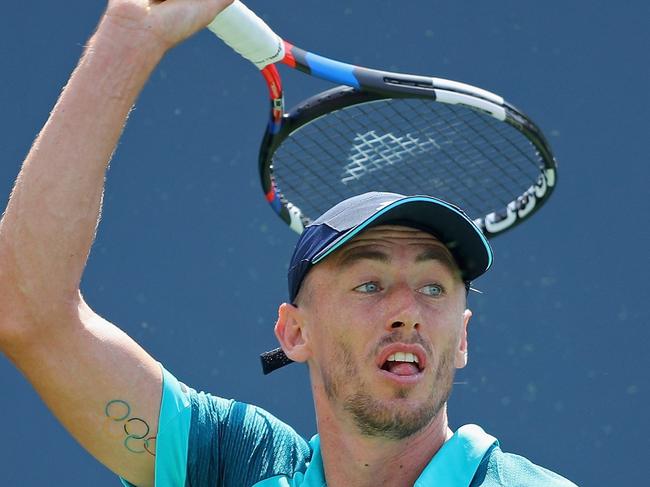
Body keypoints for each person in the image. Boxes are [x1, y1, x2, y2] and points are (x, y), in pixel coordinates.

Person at [0, 1, 577, 486]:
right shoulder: (233, 466)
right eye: (370, 284)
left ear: (462, 340)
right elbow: (30, 307)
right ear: (294, 332)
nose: (407, 312)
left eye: (433, 286)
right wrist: (130, 36)